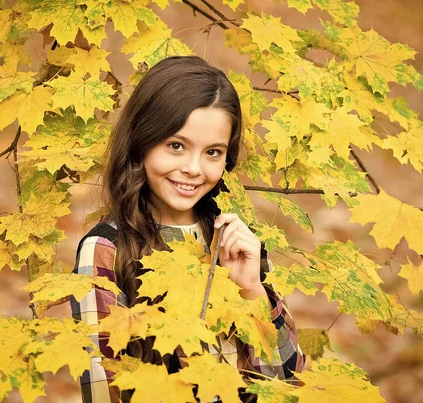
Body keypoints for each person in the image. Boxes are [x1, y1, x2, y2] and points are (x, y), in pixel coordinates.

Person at [71, 55, 305, 402]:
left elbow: (287, 385)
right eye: (176, 146)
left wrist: (252, 290)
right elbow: (105, 389)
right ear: (142, 141)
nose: (194, 168)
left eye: (213, 152)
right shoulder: (109, 248)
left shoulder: (233, 239)